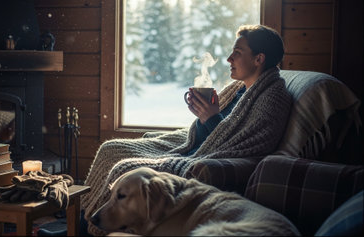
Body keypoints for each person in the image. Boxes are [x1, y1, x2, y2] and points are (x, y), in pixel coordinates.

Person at [79, 24, 292, 236]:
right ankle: (78, 221)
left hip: (206, 158)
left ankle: (94, 227)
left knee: (124, 168)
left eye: (237, 53)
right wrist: (203, 118)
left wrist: (210, 117)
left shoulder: (273, 97)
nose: (229, 59)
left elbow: (239, 145)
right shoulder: (239, 89)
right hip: (198, 148)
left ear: (259, 59)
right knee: (111, 148)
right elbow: (215, 132)